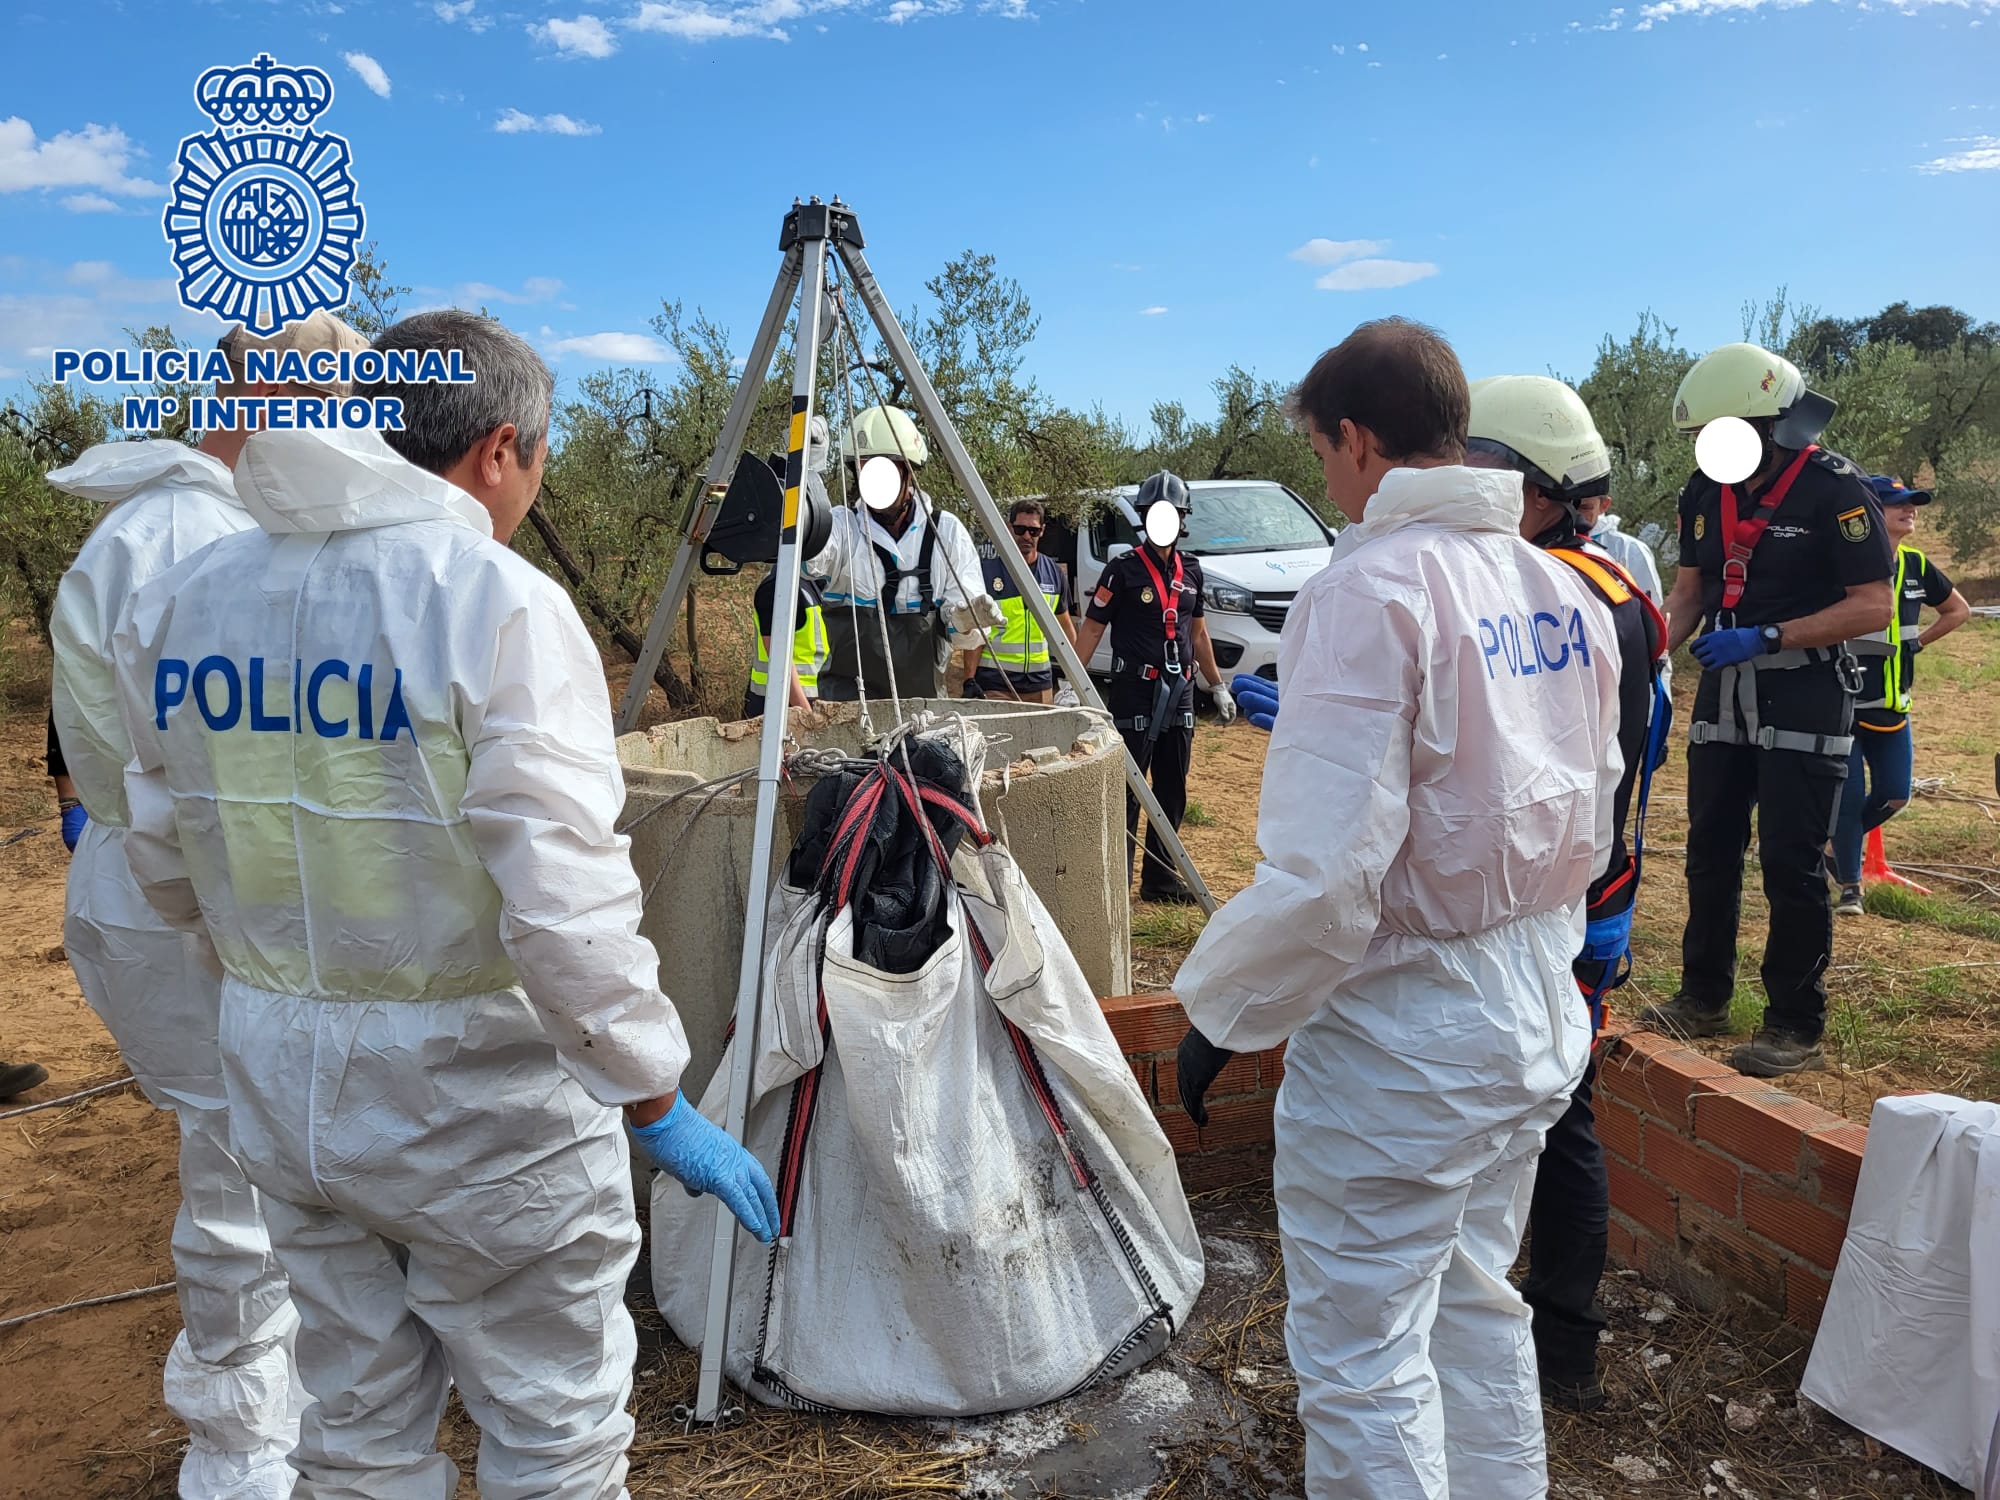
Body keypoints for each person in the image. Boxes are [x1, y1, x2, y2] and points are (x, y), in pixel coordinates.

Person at [112, 309, 777, 1498]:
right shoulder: (492, 600)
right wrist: (653, 1094)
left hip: (282, 1084)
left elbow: (165, 859)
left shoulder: (193, 599)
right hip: (478, 1107)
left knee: (352, 1428)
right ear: (500, 449)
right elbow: (561, 900)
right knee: (553, 1430)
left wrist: (276, 987)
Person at [1172, 320, 1621, 1498]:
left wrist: (1223, 1009)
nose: (1325, 477)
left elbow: (1324, 876)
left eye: (1321, 451)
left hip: (1403, 1037)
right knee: (1471, 1298)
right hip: (1532, 1003)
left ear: (1357, 440)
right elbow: (1596, 803)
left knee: (1362, 1352)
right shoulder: (1555, 588)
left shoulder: (1365, 590)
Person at [46, 309, 371, 1499]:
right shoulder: (193, 540)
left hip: (157, 890)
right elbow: (198, 767)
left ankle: (269, 1430)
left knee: (242, 1159)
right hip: (186, 903)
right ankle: (243, 1460)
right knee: (243, 1177)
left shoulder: (172, 526)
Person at [1467, 376, 1670, 1414]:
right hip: (1596, 893)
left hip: (1546, 903)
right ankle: (1558, 1339)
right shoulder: (1619, 590)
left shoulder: (1538, 594)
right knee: (1559, 1106)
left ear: (1535, 487)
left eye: (1480, 468)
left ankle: (1559, 1348)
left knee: (1554, 1114)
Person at [1639, 342, 1893, 1077]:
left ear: (1773, 425)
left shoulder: (1834, 489)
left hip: (1807, 691)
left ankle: (1793, 1025)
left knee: (1790, 861)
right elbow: (1688, 592)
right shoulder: (1702, 491)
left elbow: (1872, 605)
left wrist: (1772, 634)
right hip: (1726, 691)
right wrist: (1643, 653)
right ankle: (1702, 997)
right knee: (1710, 851)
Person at [1069, 472, 1237, 903]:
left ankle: (1160, 881)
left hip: (1179, 691)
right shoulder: (1122, 571)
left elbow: (1198, 635)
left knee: (1172, 787)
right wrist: (1073, 681)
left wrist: (1216, 686)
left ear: (1182, 520)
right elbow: (1090, 629)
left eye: (1173, 514)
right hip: (1134, 691)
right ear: (1144, 519)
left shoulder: (1193, 571)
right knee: (1128, 789)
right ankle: (1118, 885)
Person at [1829, 475, 1971, 913]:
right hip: (1843, 706)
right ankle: (1851, 887)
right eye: (1898, 504)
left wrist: (1919, 643)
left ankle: (1833, 846)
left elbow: (1959, 610)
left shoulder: (1916, 564)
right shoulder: (1837, 563)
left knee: (1895, 795)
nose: (1910, 510)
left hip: (1894, 707)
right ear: (1873, 511)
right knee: (1850, 798)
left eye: (1913, 504)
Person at [806, 404, 997, 701]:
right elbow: (804, 557)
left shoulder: (945, 533)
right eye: (864, 470)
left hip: (923, 713)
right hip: (846, 716)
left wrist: (964, 622)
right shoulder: (842, 527)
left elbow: (965, 636)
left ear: (908, 472)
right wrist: (807, 477)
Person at [961, 498, 1077, 703]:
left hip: (1040, 684)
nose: (1026, 536)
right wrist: (969, 680)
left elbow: (1065, 627)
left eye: (1033, 531)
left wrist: (1075, 679)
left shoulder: (1054, 573)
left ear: (1042, 531)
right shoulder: (987, 571)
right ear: (1009, 528)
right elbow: (976, 631)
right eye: (1020, 529)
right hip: (995, 682)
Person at [744, 569, 827, 719]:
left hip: (803, 701)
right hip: (785, 705)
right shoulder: (777, 588)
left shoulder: (806, 582)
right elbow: (779, 661)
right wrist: (806, 715)